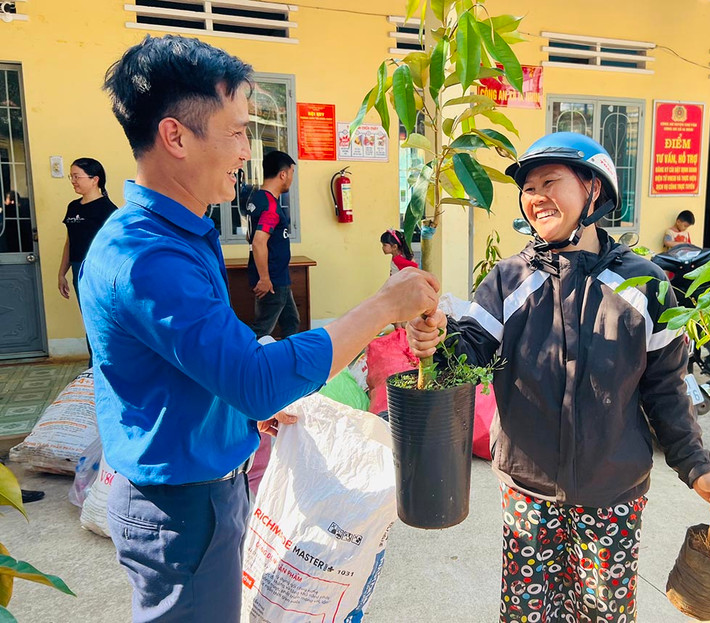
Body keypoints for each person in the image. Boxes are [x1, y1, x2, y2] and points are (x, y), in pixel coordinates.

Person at [81, 35, 439, 622]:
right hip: (181, 509)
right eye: (237, 132)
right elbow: (252, 378)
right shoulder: (147, 258)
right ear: (175, 136)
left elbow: (203, 366)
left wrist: (242, 413)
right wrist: (380, 308)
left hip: (201, 491)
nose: (247, 151)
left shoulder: (179, 234)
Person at [407, 132, 710, 623]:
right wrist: (437, 337)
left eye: (550, 182)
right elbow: (469, 352)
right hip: (527, 489)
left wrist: (697, 467)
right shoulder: (509, 279)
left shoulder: (645, 285)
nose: (536, 196)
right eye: (528, 188)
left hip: (613, 493)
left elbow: (666, 389)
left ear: (593, 188)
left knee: (604, 613)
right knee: (526, 613)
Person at [58, 158, 117, 367]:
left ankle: (102, 366)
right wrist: (62, 273)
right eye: (71, 176)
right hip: (78, 269)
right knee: (89, 319)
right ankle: (94, 367)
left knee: (100, 320)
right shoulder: (73, 206)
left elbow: (114, 248)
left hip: (99, 272)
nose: (73, 181)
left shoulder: (107, 210)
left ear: (95, 179)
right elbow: (70, 241)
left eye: (77, 176)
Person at [246, 150, 298, 338]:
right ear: (283, 174)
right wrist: (265, 278)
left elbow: (249, 236)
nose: (291, 179)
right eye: (291, 173)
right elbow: (258, 241)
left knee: (291, 321)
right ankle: (243, 355)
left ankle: (290, 355)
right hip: (272, 280)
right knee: (261, 330)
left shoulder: (257, 199)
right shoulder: (270, 206)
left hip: (278, 276)